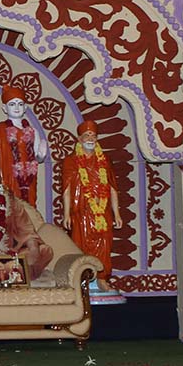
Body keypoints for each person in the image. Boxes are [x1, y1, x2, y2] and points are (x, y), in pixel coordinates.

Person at [60, 119, 123, 290]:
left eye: (93, 136)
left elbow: (112, 188)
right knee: (81, 244)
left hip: (102, 212)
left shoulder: (105, 161)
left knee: (104, 245)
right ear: (79, 139)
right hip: (81, 212)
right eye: (87, 135)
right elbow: (66, 189)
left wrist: (116, 213)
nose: (90, 139)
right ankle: (83, 279)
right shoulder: (71, 161)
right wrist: (66, 214)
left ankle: (102, 278)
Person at [0, 85, 48, 206]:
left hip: (28, 178)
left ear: (25, 107)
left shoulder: (32, 131)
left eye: (20, 104)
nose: (16, 107)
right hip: (8, 175)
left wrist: (41, 155)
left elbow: (38, 158)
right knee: (9, 206)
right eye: (12, 104)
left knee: (28, 206)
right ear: (5, 108)